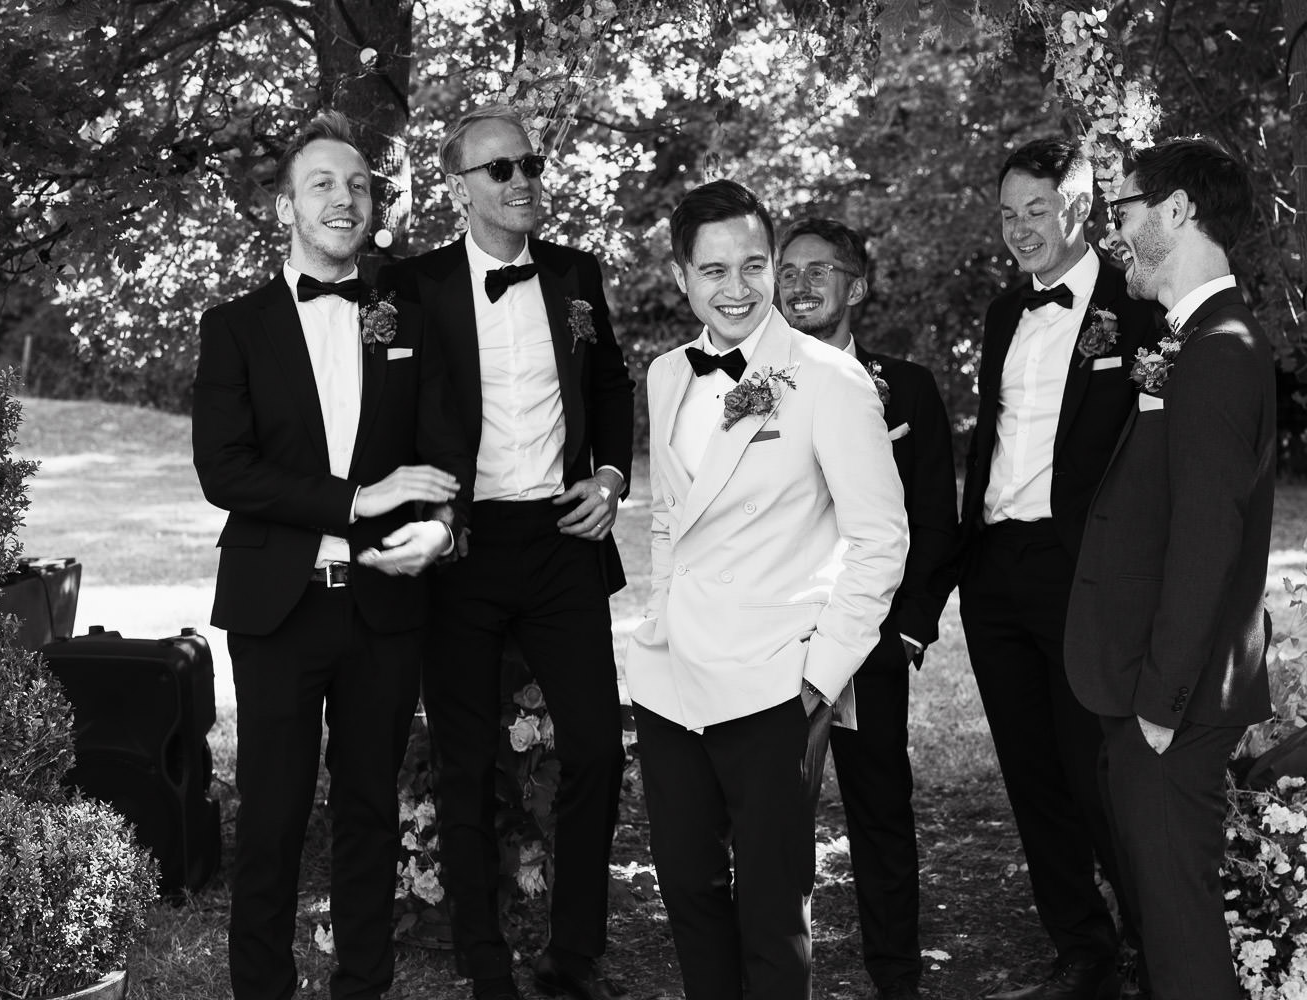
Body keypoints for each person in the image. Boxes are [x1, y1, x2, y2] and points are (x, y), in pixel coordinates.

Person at [192, 110, 471, 1000]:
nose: (345, 199)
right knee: (270, 818)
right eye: (323, 184)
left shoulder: (408, 314)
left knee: (368, 812)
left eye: (358, 185)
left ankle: (363, 985)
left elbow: (444, 447)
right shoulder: (233, 326)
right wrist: (358, 500)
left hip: (386, 607)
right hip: (279, 604)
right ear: (286, 206)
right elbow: (224, 469)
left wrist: (436, 527)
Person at [626, 179, 908, 1000]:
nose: (738, 288)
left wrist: (819, 677)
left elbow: (880, 540)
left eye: (754, 264)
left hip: (773, 682)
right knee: (688, 892)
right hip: (669, 679)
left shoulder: (827, 378)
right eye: (713, 271)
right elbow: (673, 518)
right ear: (681, 278)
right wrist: (660, 613)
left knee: (774, 911)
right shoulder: (666, 374)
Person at [376, 105, 634, 1000]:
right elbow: (387, 412)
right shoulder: (412, 286)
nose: (522, 180)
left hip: (563, 541)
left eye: (530, 163)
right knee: (463, 757)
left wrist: (609, 479)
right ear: (459, 187)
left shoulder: (574, 274)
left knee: (599, 746)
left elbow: (608, 386)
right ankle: (483, 962)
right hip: (464, 547)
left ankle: (574, 957)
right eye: (500, 170)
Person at [1064, 136, 1275, 1000]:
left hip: (1173, 700)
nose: (1114, 233)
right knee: (1164, 917)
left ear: (1176, 211)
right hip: (1156, 687)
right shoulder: (1197, 339)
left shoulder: (1220, 350)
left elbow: (1206, 541)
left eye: (1123, 212)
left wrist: (1160, 703)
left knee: (1181, 932)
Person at [958, 136, 1159, 1000]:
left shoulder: (1139, 309)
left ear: (1080, 206)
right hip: (997, 567)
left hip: (1081, 570)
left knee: (1095, 769)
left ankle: (1159, 942)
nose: (1020, 229)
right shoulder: (1005, 312)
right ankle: (1082, 945)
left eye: (1036, 209)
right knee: (1030, 771)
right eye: (1007, 214)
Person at [777, 218, 957, 1000]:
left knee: (880, 807)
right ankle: (777, 970)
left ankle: (896, 975)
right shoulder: (754, 384)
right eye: (788, 271)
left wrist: (908, 632)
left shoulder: (905, 387)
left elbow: (936, 524)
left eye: (822, 270)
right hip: (775, 632)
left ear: (859, 285)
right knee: (770, 812)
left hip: (872, 637)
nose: (801, 285)